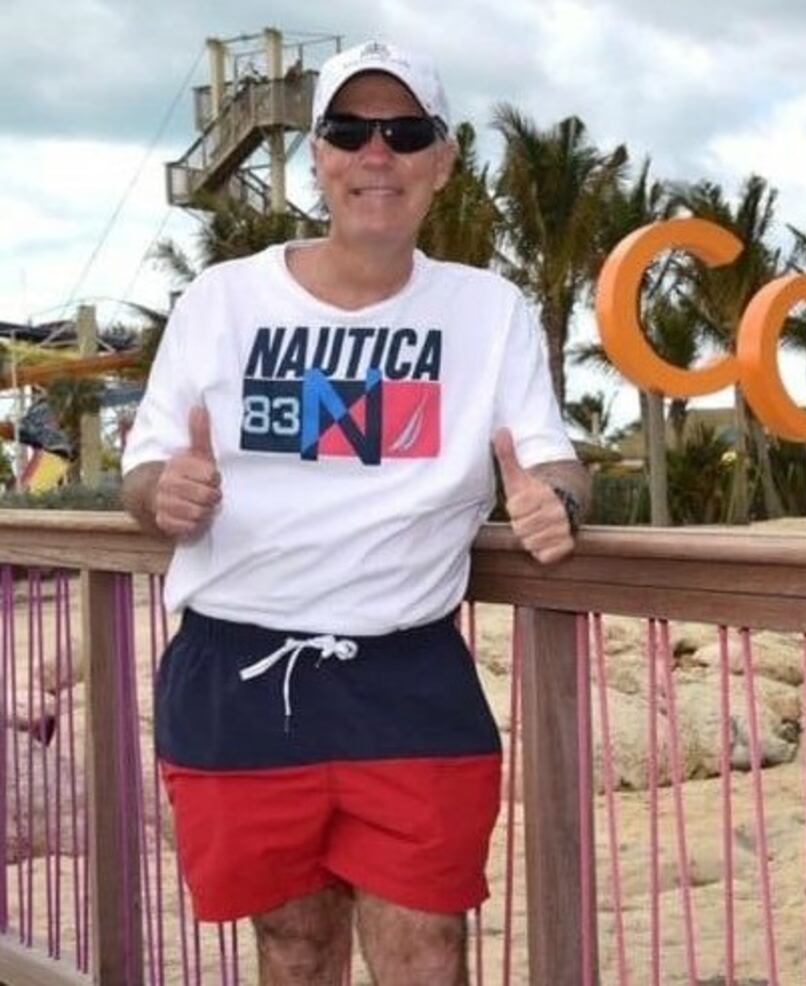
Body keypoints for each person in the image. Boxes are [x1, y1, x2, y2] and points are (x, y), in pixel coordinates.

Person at [121, 40, 589, 986]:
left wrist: (558, 504)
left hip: (407, 673)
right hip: (235, 669)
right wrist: (161, 494)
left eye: (405, 132)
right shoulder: (221, 298)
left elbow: (551, 458)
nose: (377, 153)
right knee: (292, 941)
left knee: (428, 947)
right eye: (349, 129)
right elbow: (142, 467)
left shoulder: (489, 310)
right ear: (320, 157)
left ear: (443, 161)